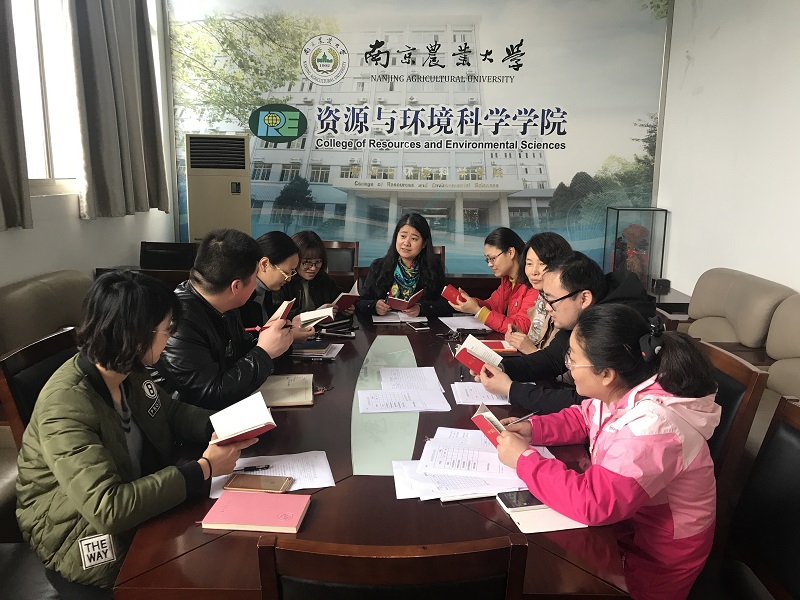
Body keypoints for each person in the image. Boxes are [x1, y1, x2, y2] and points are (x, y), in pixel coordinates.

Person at [16, 271, 258, 598]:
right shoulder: (65, 406)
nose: (171, 337)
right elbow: (108, 509)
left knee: (231, 552)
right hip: (80, 538)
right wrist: (205, 468)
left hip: (136, 502)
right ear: (138, 335)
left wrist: (224, 425)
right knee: (221, 573)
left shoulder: (125, 368)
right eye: (168, 328)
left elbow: (169, 412)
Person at [493, 304, 720, 600]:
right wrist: (534, 429)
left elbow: (595, 502)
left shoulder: (653, 427)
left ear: (606, 374)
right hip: (626, 526)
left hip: (658, 557)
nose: (568, 366)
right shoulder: (622, 389)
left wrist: (525, 461)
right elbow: (583, 417)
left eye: (573, 359)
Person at [478, 250, 656, 414]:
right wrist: (500, 367)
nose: (547, 308)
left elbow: (587, 403)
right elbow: (553, 358)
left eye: (552, 300)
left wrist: (511, 390)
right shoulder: (586, 310)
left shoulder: (614, 326)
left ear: (584, 298)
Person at [156, 229, 293, 410]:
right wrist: (264, 352)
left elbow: (241, 351)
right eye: (254, 277)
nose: (256, 284)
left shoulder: (223, 304)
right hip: (190, 420)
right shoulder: (177, 322)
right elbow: (209, 395)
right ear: (236, 286)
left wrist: (275, 339)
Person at [355, 213, 451, 318]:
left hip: (420, 327)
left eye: (414, 239)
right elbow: (360, 302)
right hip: (384, 326)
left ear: (424, 244)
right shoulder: (379, 266)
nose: (406, 243)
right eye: (403, 236)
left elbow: (447, 304)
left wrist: (422, 308)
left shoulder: (434, 268)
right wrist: (374, 306)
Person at [448, 227, 537, 333]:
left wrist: (477, 310)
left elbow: (520, 327)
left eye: (492, 258)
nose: (490, 264)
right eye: (487, 259)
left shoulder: (533, 283)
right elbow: (492, 306)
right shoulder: (508, 280)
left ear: (510, 252)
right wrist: (472, 303)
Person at [237, 230, 315, 342]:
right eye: (286, 272)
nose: (289, 278)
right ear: (265, 264)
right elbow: (247, 342)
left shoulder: (267, 290)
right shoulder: (240, 297)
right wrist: (290, 337)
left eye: (292, 272)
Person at [505, 232, 572, 354]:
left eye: (542, 264)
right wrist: (521, 337)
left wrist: (531, 350)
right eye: (529, 264)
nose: (534, 271)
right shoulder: (541, 299)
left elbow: (559, 361)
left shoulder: (566, 306)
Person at [275, 230, 354, 319]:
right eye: (306, 262)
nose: (313, 268)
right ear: (294, 260)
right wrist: (315, 314)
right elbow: (279, 315)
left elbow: (337, 299)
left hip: (324, 326)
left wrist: (344, 309)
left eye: (318, 261)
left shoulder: (323, 278)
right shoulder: (283, 281)